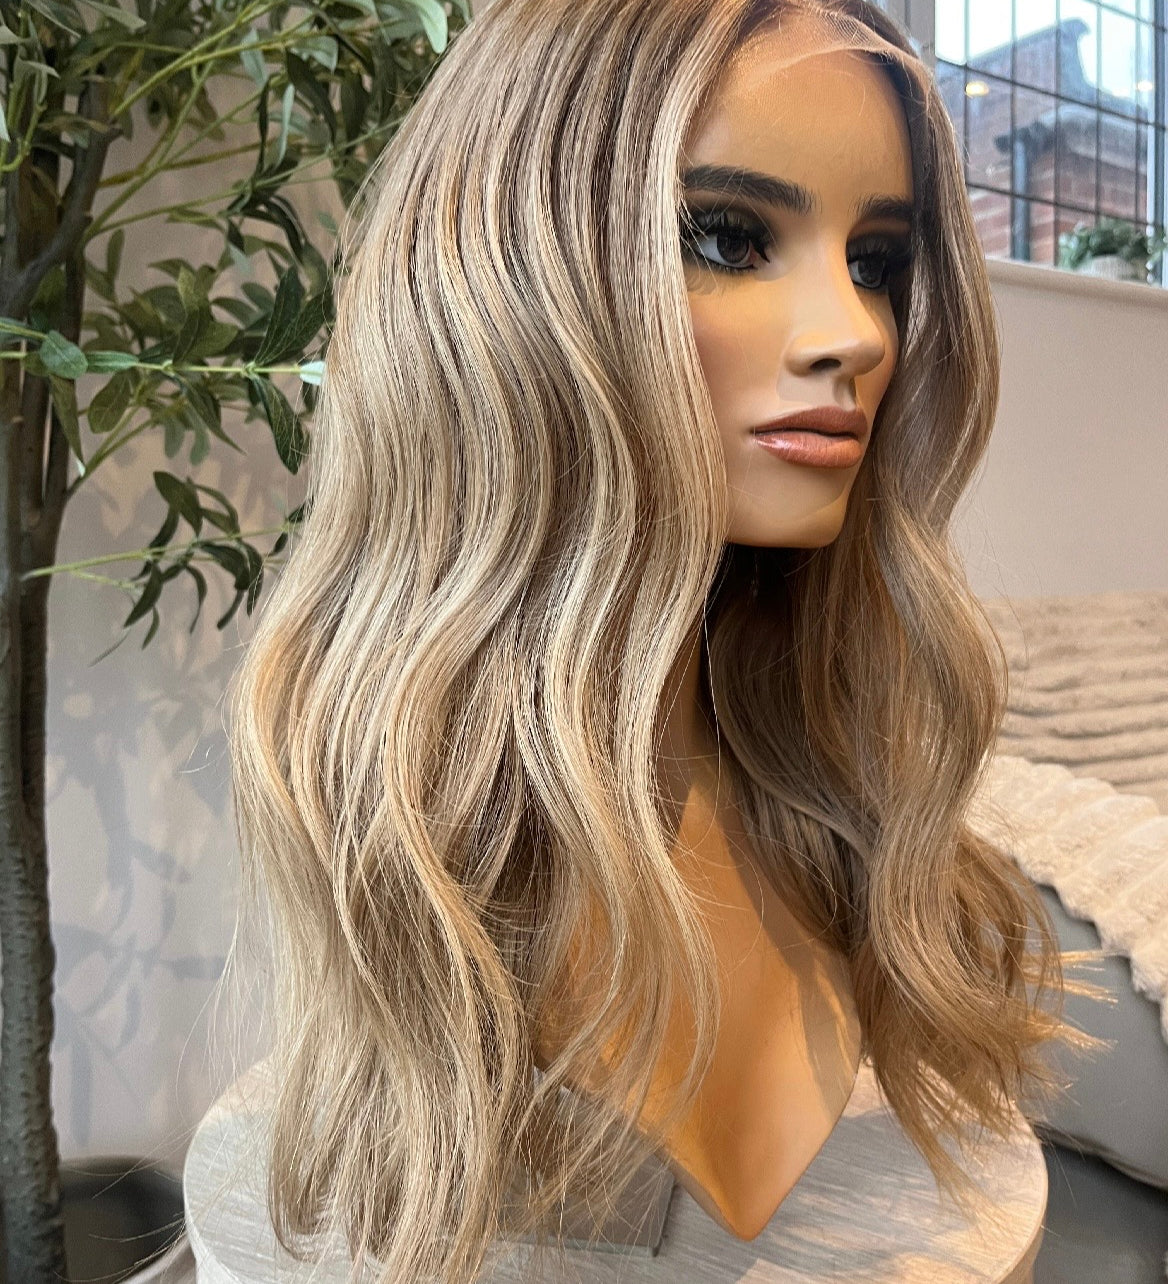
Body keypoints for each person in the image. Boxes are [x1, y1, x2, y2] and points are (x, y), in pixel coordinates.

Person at [223, 2, 1101, 1281]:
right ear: (509, 280)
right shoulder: (435, 862)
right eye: (726, 237)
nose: (857, 332)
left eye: (875, 259)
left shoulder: (828, 815)